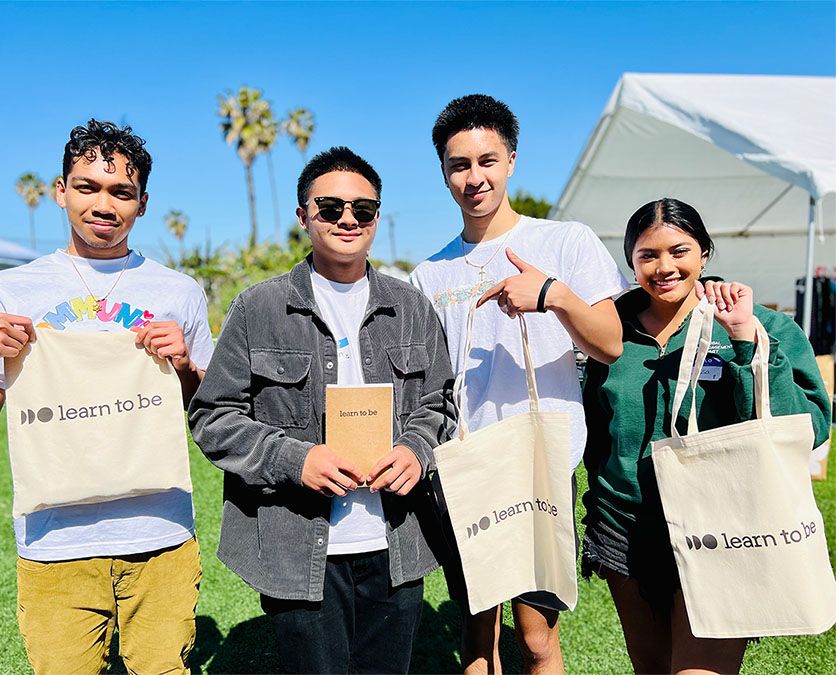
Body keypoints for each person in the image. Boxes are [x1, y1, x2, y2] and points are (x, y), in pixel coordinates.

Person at [0, 119, 214, 674]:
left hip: (159, 531)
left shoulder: (178, 291)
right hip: (53, 540)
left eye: (121, 192)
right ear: (61, 191)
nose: (104, 204)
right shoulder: (10, 290)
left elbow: (206, 412)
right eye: (87, 187)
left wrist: (186, 366)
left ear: (142, 203)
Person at [188, 146, 456, 674]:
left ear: (378, 216)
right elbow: (213, 415)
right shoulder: (257, 308)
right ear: (303, 216)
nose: (348, 219)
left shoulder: (411, 307)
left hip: (396, 544)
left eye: (364, 208)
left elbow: (440, 403)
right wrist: (295, 460)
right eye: (330, 207)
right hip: (296, 548)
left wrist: (417, 449)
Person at [411, 94, 627, 674]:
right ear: (444, 173)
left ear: (511, 161)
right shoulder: (428, 275)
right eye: (459, 165)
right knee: (476, 631)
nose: (474, 178)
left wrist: (552, 294)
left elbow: (608, 341)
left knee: (536, 639)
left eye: (487, 161)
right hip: (460, 464)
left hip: (538, 460)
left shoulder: (565, 242)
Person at [580, 197, 831, 674]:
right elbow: (596, 433)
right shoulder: (611, 333)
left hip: (723, 528)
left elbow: (808, 427)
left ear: (705, 253)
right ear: (631, 263)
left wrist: (744, 342)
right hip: (626, 531)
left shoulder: (764, 326)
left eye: (680, 251)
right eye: (647, 256)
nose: (664, 267)